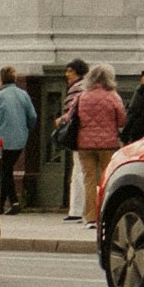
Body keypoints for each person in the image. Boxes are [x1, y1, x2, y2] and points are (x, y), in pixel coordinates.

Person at [71, 64, 128, 224]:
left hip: (85, 144)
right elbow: (122, 119)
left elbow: (71, 116)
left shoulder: (82, 96)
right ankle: (106, 212)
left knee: (89, 180)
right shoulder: (113, 96)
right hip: (108, 144)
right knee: (108, 178)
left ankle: (90, 216)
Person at [0, 65, 37, 213]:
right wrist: (26, 128)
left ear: (0, 80)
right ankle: (2, 204)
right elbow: (33, 116)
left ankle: (14, 203)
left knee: (4, 170)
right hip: (20, 140)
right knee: (6, 169)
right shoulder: (23, 94)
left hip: (3, 140)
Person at [53, 58, 88, 218]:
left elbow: (72, 113)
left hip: (81, 136)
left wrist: (62, 120)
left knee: (79, 172)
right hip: (98, 138)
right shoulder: (88, 88)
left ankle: (76, 210)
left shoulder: (76, 89)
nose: (67, 74)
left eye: (70, 71)